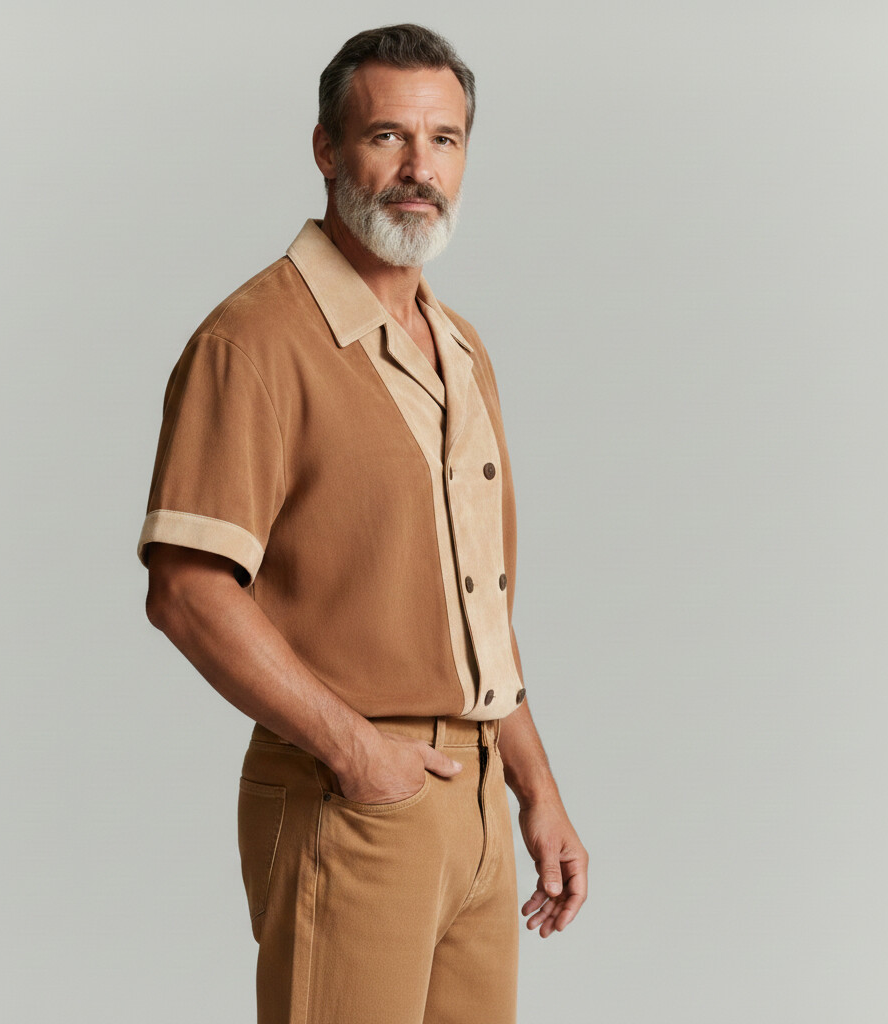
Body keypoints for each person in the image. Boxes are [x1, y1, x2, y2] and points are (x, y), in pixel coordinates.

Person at [137, 23, 588, 1024]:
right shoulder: (254, 341)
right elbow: (186, 589)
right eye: (388, 135)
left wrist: (535, 788)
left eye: (444, 139)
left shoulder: (460, 347)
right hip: (353, 799)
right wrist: (356, 753)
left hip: (476, 805)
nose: (419, 167)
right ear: (327, 149)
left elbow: (477, 603)